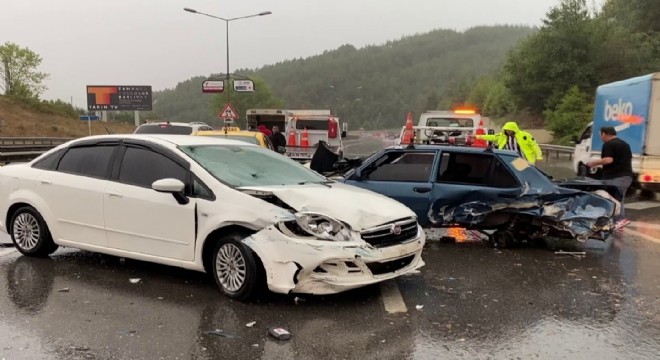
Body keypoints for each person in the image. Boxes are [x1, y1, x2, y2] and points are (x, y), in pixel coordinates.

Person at [587, 126, 633, 230]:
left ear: (604, 134)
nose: (601, 137)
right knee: (618, 199)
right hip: (626, 177)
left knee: (612, 200)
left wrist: (593, 163)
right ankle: (618, 223)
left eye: (601, 135)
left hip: (615, 177)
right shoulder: (625, 144)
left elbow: (608, 160)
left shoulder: (609, 144)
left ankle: (619, 220)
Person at [475, 121, 543, 165]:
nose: (508, 132)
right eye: (506, 130)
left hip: (524, 159)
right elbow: (491, 137)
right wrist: (478, 137)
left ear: (514, 130)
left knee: (522, 175)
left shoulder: (525, 136)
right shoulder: (503, 136)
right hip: (509, 159)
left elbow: (534, 146)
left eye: (509, 130)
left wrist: (539, 156)